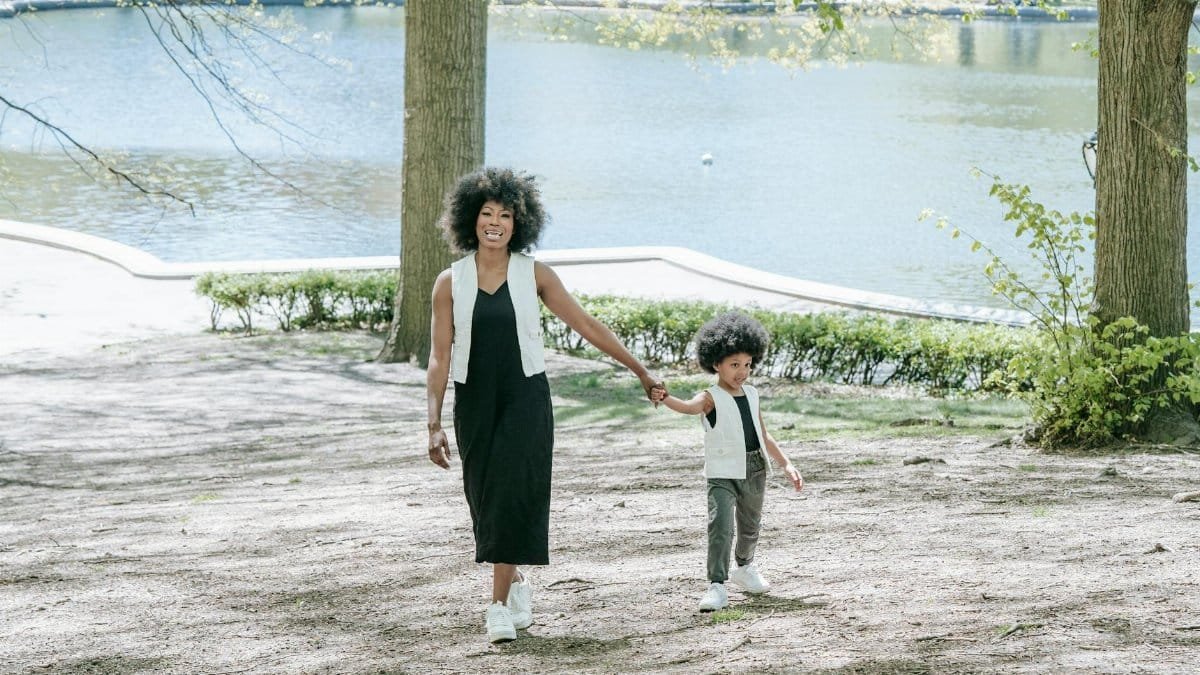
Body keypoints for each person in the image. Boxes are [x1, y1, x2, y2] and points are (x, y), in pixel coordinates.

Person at [425, 167, 663, 644]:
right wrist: (432, 422)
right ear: (471, 219)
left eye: (505, 215)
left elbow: (587, 325)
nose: (495, 223)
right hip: (475, 402)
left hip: (525, 399)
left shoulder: (534, 274)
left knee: (511, 494)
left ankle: (496, 607)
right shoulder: (450, 282)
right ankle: (514, 580)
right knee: (484, 502)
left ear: (519, 223)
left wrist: (640, 370)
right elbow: (439, 356)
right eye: (487, 213)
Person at [650, 311, 804, 612]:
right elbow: (687, 407)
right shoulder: (709, 397)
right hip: (722, 472)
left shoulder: (752, 394)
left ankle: (744, 568)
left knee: (750, 526)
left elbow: (763, 434)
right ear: (716, 363)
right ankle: (717, 585)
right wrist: (664, 397)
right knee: (720, 527)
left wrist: (786, 463)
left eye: (747, 364)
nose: (742, 371)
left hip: (755, 469)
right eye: (734, 364)